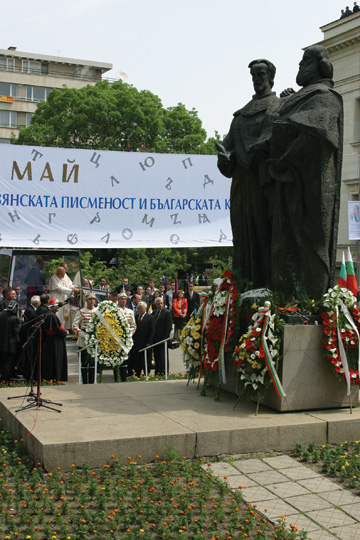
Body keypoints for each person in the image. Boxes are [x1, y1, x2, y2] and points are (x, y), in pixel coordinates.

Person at [268, 46, 343, 300]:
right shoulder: (300, 97)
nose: (299, 67)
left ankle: (311, 306)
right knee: (286, 243)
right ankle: (287, 303)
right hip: (288, 180)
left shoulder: (326, 95)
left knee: (312, 245)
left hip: (312, 182)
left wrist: (284, 158)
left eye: (304, 63)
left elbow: (316, 133)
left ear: (318, 66)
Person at [217, 59, 279, 287]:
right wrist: (225, 157)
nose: (257, 79)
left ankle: (267, 288)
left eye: (261, 74)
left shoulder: (278, 106)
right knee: (241, 239)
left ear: (270, 76)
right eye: (253, 75)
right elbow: (228, 147)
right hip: (241, 186)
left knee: (264, 235)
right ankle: (244, 286)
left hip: (264, 185)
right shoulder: (240, 116)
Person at [73, 292, 97, 384]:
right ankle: (84, 382)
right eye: (90, 299)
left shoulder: (97, 311)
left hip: (94, 340)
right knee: (84, 362)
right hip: (83, 340)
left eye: (93, 299)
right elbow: (74, 325)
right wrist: (81, 334)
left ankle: (92, 382)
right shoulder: (81, 311)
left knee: (92, 363)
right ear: (86, 300)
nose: (92, 301)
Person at [41, 298, 68, 381]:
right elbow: (55, 329)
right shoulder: (51, 315)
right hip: (55, 341)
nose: (59, 307)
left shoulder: (51, 314)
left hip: (54, 340)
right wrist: (65, 332)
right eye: (57, 305)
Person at [129, 301, 155, 377]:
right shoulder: (136, 317)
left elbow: (152, 331)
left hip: (146, 342)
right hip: (137, 342)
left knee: (147, 358)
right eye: (138, 308)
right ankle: (137, 372)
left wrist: (149, 342)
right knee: (137, 359)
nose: (139, 310)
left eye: (141, 308)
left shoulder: (150, 318)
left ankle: (147, 373)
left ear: (145, 309)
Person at [117, 292, 136, 381]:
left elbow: (133, 325)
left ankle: (124, 376)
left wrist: (130, 334)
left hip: (127, 339)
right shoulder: (113, 311)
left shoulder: (130, 312)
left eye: (125, 299)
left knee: (126, 358)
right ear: (118, 300)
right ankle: (117, 376)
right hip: (117, 339)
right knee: (117, 358)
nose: (124, 300)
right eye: (122, 299)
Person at [0, 300, 21, 382]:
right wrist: (20, 324)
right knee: (8, 362)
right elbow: (15, 331)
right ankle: (5, 379)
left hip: (1, 342)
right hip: (9, 343)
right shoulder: (14, 318)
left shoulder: (1, 314)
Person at [152, 297, 172, 375]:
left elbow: (168, 327)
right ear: (155, 304)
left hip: (163, 339)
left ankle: (164, 371)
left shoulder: (167, 313)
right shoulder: (154, 312)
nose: (160, 305)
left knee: (163, 356)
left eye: (161, 303)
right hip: (155, 339)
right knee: (157, 355)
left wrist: (165, 338)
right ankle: (158, 370)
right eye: (158, 304)